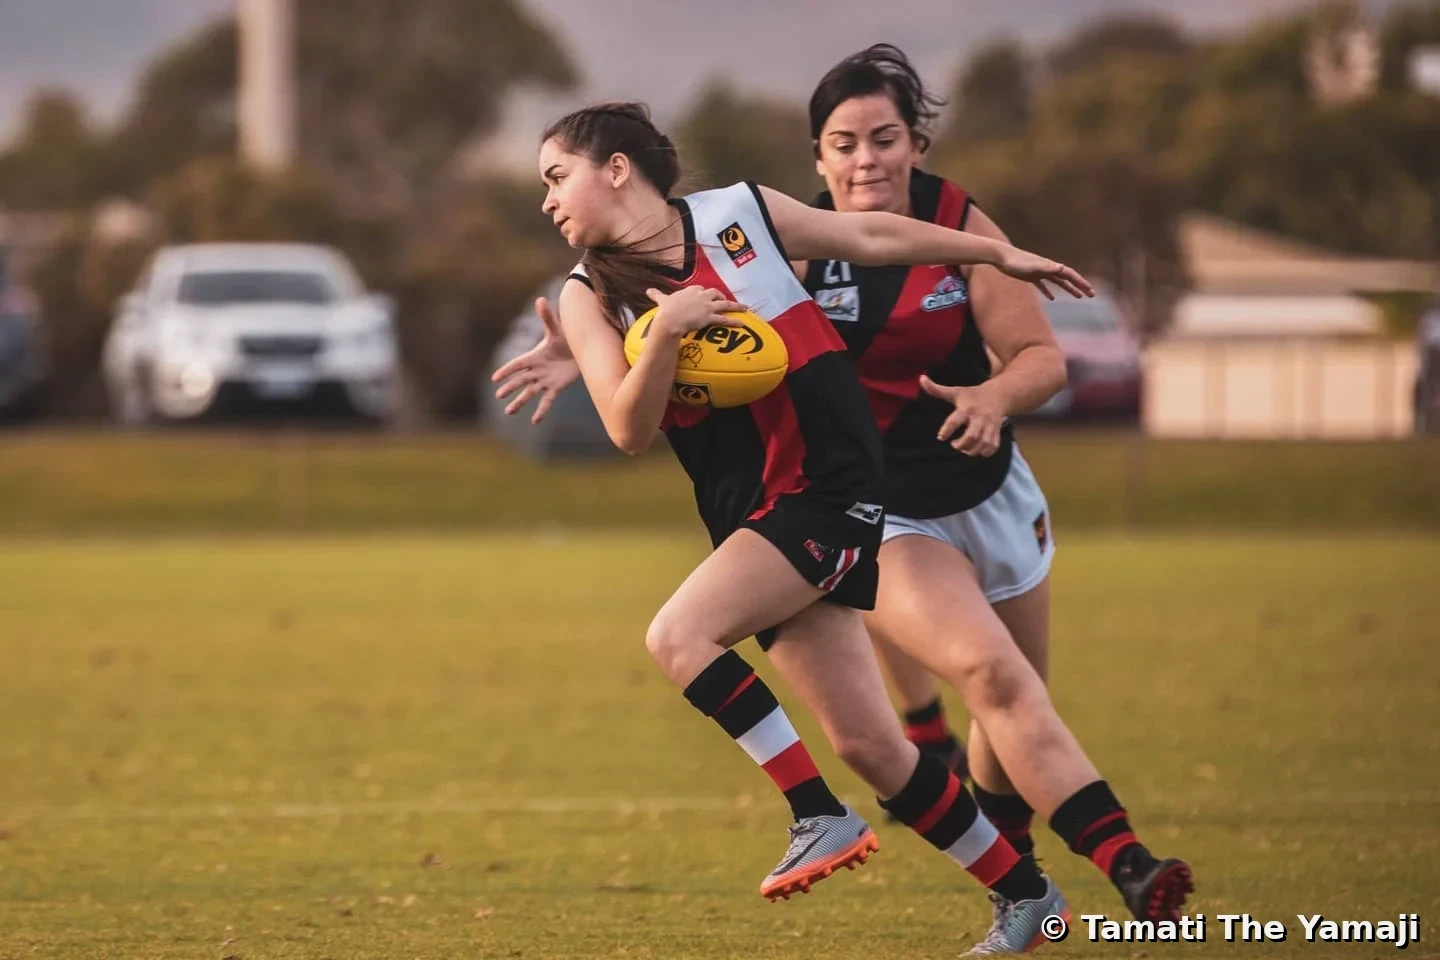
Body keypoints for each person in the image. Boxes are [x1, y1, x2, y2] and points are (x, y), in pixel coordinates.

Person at [529, 101, 1090, 949]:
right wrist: (665, 342)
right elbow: (625, 429)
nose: (547, 200)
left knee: (680, 636)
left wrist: (991, 253)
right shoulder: (585, 296)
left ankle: (814, 813)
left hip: (828, 484)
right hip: (749, 514)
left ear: (615, 168)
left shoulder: (737, 214)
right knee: (872, 745)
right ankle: (1029, 898)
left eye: (556, 176)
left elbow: (870, 238)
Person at [794, 44, 1194, 941]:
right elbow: (671, 284)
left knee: (1013, 714)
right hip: (885, 514)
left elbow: (1040, 359)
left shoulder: (960, 223)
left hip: (995, 494)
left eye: (885, 138)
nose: (867, 161)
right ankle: (1130, 864)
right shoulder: (793, 245)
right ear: (817, 160)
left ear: (917, 143)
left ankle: (1021, 903)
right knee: (991, 676)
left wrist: (991, 397)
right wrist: (589, 336)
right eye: (844, 144)